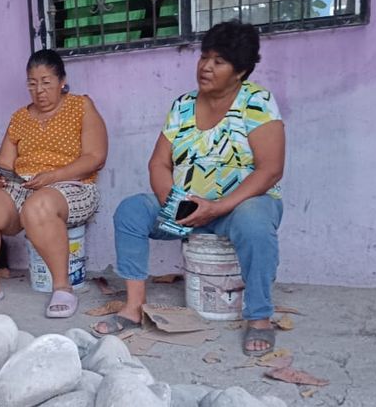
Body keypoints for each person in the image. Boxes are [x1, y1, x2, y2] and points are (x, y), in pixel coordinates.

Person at [94, 21, 285, 356]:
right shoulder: (182, 106)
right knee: (131, 211)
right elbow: (158, 164)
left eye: (218, 61)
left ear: (240, 70)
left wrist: (218, 207)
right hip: (186, 207)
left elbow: (270, 171)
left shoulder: (257, 102)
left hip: (239, 206)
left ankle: (259, 317)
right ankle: (134, 307)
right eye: (204, 57)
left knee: (255, 222)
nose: (205, 67)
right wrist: (175, 204)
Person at [0, 50, 108, 318]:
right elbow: (4, 163)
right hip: (23, 187)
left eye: (46, 82)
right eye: (32, 83)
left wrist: (53, 176)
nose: (39, 90)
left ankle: (63, 288)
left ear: (62, 81)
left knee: (39, 205)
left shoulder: (80, 106)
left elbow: (95, 157)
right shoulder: (19, 118)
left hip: (73, 186)